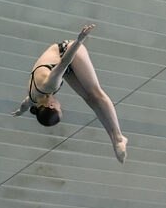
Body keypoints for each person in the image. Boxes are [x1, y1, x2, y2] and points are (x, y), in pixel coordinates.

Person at [11, 23, 128, 163]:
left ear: (51, 106)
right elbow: (25, 104)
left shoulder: (48, 85)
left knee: (95, 93)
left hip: (68, 51)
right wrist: (19, 111)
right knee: (89, 99)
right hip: (62, 66)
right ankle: (114, 140)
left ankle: (119, 137)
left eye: (60, 109)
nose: (61, 105)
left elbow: (64, 63)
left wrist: (80, 40)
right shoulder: (35, 100)